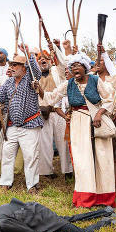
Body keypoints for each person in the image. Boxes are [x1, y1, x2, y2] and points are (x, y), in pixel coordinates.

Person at [41, 51, 116, 206]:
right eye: (72, 66)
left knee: (102, 158)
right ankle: (86, 197)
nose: (74, 68)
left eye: (77, 65)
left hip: (97, 121)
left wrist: (99, 114)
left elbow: (109, 98)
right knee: (83, 159)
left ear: (85, 67)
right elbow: (51, 97)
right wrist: (39, 89)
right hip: (78, 123)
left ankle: (104, 197)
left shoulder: (95, 80)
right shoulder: (68, 84)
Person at [0, 45, 45, 192]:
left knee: (30, 156)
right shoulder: (8, 82)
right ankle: (5, 182)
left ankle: (32, 184)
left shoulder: (30, 79)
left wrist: (28, 54)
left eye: (15, 65)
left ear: (24, 67)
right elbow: (0, 98)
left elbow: (36, 72)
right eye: (11, 65)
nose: (12, 67)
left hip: (30, 124)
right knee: (7, 154)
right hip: (12, 126)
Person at [36, 42, 73, 180]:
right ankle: (46, 171)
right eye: (40, 58)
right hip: (42, 114)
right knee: (44, 143)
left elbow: (63, 65)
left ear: (51, 60)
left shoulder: (58, 72)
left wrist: (55, 49)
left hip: (59, 112)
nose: (42, 60)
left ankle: (68, 170)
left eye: (45, 57)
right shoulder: (35, 76)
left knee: (63, 142)